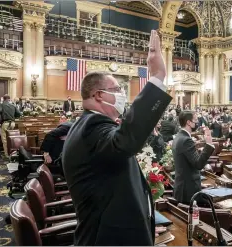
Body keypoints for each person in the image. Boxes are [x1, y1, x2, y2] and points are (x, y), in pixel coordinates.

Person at [62, 30, 172, 246]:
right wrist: (157, 77)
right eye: (118, 89)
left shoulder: (88, 124)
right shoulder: (92, 126)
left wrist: (145, 225)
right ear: (99, 95)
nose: (123, 93)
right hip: (108, 237)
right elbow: (125, 142)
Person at [173, 111, 215, 205]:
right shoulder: (186, 140)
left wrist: (199, 184)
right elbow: (198, 164)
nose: (197, 123)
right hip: (189, 192)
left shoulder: (179, 137)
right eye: (195, 120)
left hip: (185, 186)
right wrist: (209, 144)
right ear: (188, 122)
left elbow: (187, 165)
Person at [0, 94, 21, 159]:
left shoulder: (1, 104)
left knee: (5, 140)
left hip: (5, 123)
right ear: (9, 99)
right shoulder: (13, 105)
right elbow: (19, 114)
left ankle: (7, 155)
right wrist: (13, 116)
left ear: (3, 99)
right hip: (12, 124)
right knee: (12, 139)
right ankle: (13, 154)